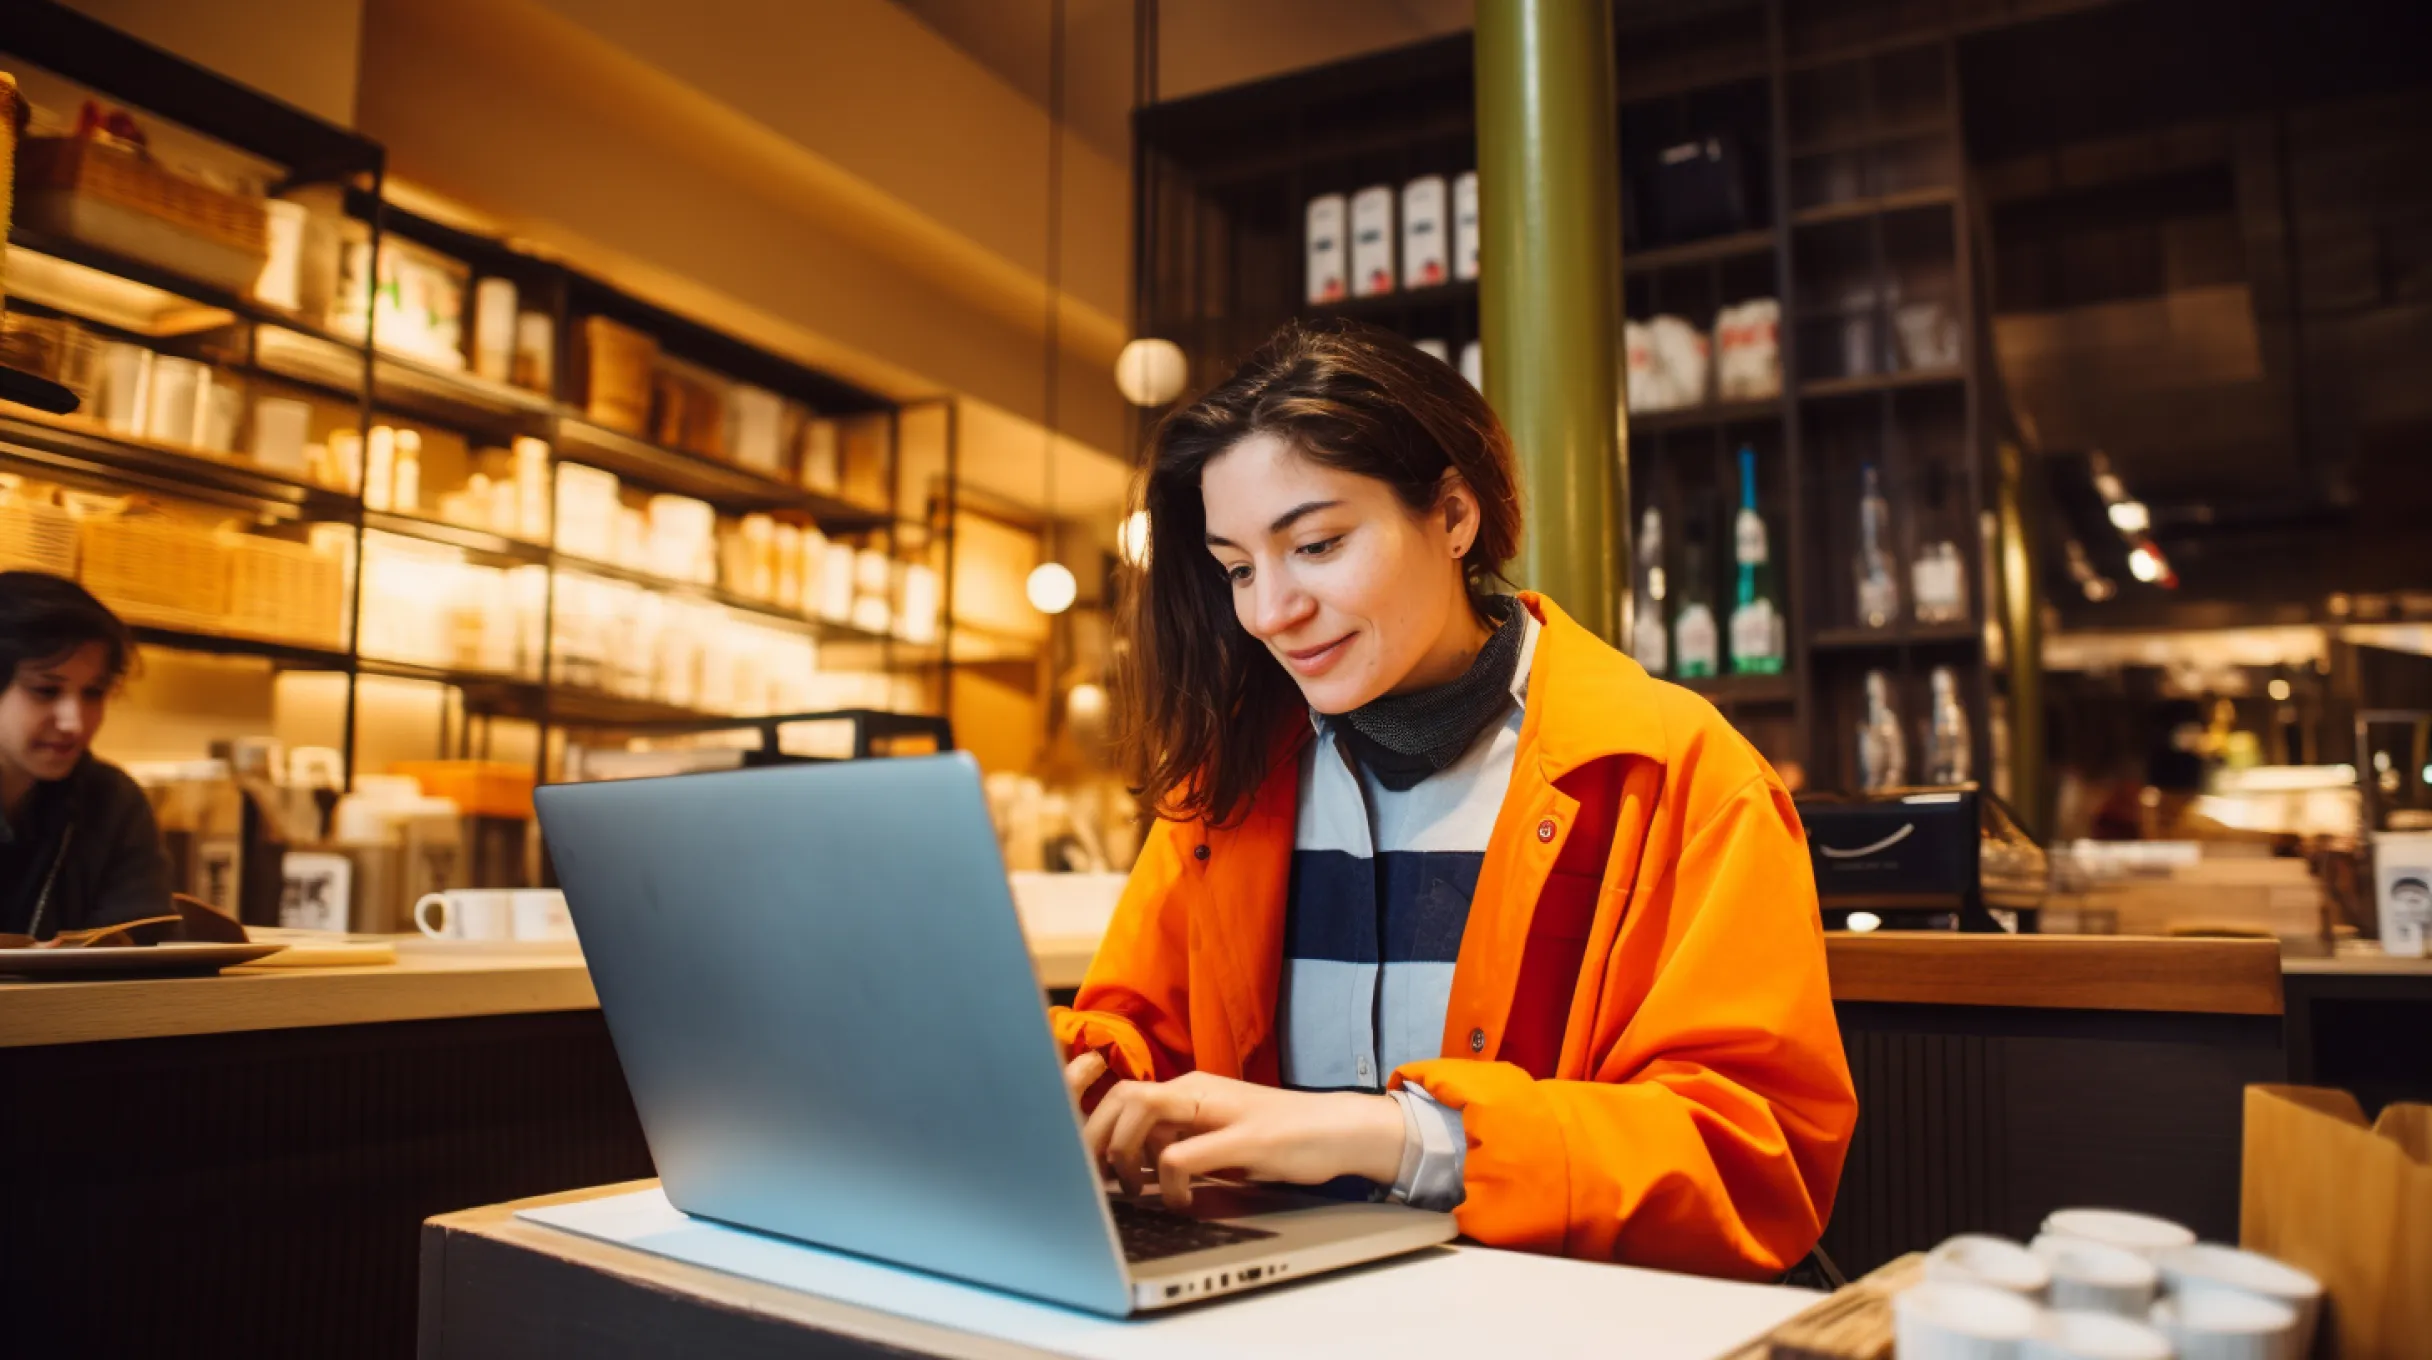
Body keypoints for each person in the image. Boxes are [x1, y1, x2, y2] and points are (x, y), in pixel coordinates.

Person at [1050, 321, 1856, 1281]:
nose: (1270, 612)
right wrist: (1078, 1083)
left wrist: (1397, 1138)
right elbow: (1142, 1039)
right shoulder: (1222, 785)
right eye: (1237, 568)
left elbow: (1753, 1155)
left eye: (1315, 544)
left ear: (1454, 516)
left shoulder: (1677, 772)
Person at [0, 571, 171, 940]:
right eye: (46, 690)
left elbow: (144, 951)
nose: (74, 722)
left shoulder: (112, 802)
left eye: (93, 692)